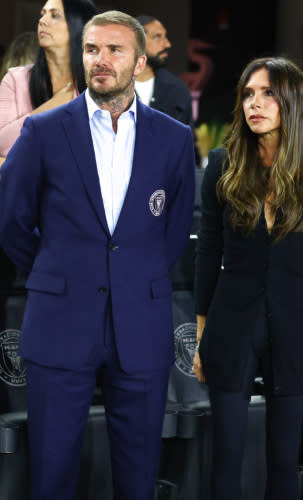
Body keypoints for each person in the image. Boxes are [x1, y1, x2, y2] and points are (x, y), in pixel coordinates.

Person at [0, 10, 195, 499]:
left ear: (140, 61)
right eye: (91, 50)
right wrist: (57, 270)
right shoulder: (43, 132)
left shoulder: (173, 139)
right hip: (60, 322)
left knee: (137, 476)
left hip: (141, 326)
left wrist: (131, 273)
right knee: (51, 475)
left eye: (115, 50)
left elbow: (171, 236)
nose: (101, 60)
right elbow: (11, 221)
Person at [191, 56, 303, 499]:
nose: (254, 104)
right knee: (225, 462)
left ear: (293, 101)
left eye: (267, 94)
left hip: (295, 329)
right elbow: (207, 255)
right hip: (230, 325)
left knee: (283, 465)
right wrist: (202, 339)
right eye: (248, 94)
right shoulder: (222, 164)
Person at [0, 0, 97, 163]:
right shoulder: (16, 79)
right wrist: (53, 105)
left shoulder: (99, 85)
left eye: (55, 15)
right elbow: (2, 143)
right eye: (43, 14)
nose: (42, 21)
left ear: (79, 26)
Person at [134, 15, 193, 126]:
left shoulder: (177, 89)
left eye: (165, 37)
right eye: (157, 37)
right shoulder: (114, 86)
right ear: (136, 42)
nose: (167, 44)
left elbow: (187, 139)